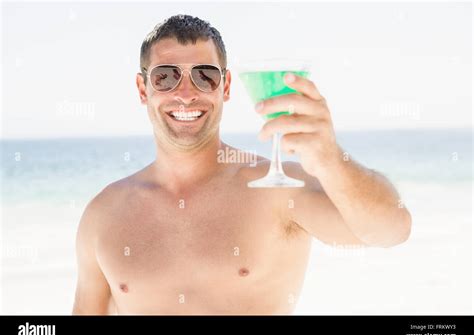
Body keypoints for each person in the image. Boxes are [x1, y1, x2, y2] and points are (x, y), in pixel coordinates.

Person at [72, 14, 411, 315]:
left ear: (227, 86)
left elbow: (391, 230)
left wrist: (331, 160)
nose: (187, 93)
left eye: (205, 76)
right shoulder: (104, 214)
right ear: (143, 89)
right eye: (165, 77)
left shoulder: (276, 190)